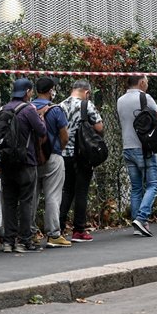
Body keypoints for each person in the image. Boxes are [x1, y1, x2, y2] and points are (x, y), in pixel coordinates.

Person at [0, 78, 47, 253]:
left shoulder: (3, 109)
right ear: (27, 92)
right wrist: (41, 117)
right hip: (26, 161)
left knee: (9, 202)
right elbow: (42, 131)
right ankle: (25, 240)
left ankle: (8, 241)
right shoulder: (29, 110)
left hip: (7, 162)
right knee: (26, 201)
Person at [117, 73, 157, 236]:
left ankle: (139, 224)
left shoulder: (120, 100)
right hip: (144, 148)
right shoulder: (145, 98)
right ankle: (142, 217)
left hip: (127, 147)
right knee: (153, 184)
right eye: (146, 82)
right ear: (142, 82)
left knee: (136, 187)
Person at [60, 79, 103, 241]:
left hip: (65, 155)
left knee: (67, 190)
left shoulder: (61, 105)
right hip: (82, 155)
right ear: (87, 92)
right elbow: (99, 127)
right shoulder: (87, 105)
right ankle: (78, 230)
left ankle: (59, 227)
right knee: (81, 192)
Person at [32, 76, 71, 248]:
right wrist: (58, 149)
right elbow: (64, 135)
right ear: (50, 91)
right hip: (53, 156)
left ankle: (29, 233)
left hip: (32, 158)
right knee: (53, 196)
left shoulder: (28, 107)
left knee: (31, 196)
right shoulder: (56, 110)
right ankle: (53, 234)